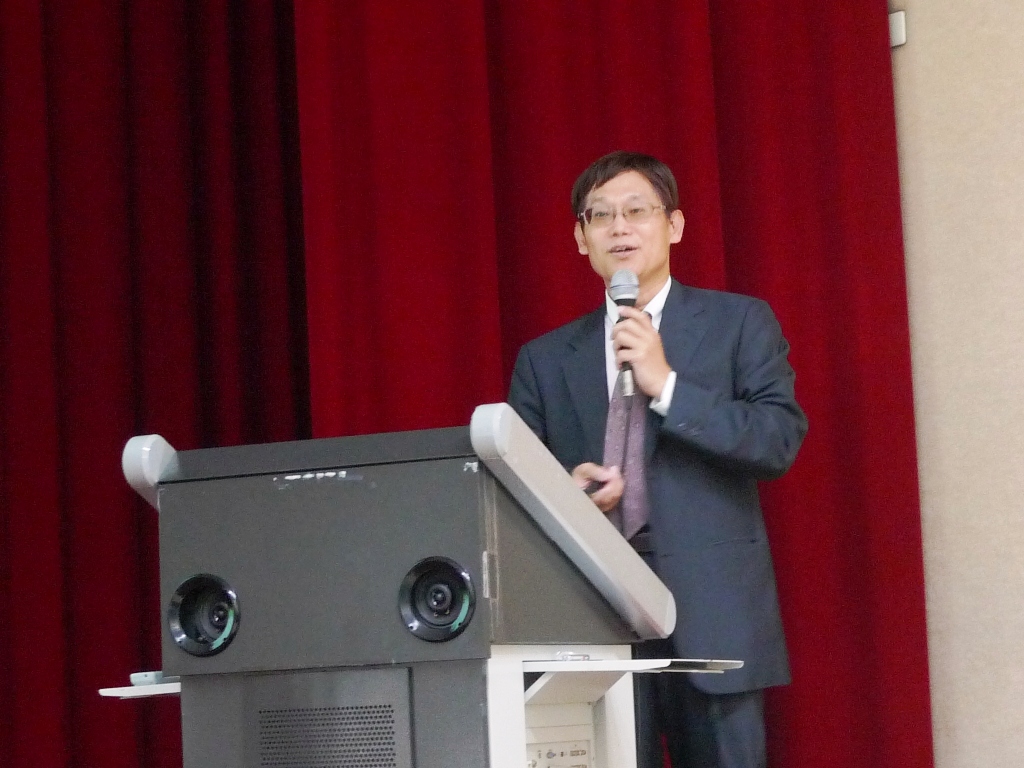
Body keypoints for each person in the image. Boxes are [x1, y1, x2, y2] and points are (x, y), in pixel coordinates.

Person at [508, 151, 807, 768]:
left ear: (674, 225)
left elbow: (776, 439)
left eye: (637, 211)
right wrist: (567, 490)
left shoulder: (738, 323)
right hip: (594, 619)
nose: (619, 228)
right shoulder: (545, 358)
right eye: (601, 216)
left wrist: (666, 384)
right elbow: (516, 493)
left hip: (714, 617)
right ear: (581, 238)